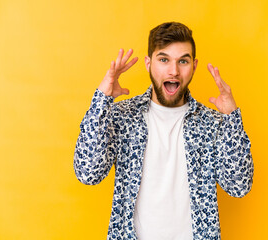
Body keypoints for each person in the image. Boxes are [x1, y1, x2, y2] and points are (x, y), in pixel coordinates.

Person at [74, 22, 254, 240]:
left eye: (183, 61)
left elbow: (239, 186)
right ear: (149, 64)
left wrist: (231, 120)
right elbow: (88, 173)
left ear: (194, 66)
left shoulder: (212, 124)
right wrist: (101, 101)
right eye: (164, 59)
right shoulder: (123, 116)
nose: (174, 71)